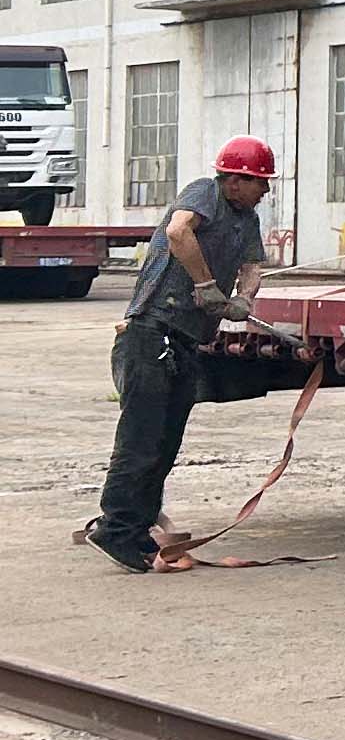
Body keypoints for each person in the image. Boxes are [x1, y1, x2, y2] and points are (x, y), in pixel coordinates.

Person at [86, 134, 275, 573]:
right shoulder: (204, 192)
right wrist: (206, 285)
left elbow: (252, 265)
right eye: (259, 182)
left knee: (166, 443)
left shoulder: (246, 219)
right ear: (235, 179)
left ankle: (138, 531)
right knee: (141, 439)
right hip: (151, 335)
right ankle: (115, 529)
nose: (265, 190)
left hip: (185, 342)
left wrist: (244, 299)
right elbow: (177, 231)